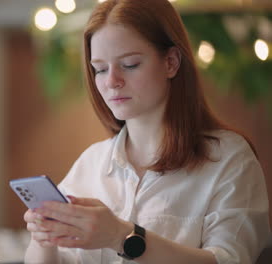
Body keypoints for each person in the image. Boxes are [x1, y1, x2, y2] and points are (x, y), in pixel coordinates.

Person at [23, 0, 270, 263]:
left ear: (171, 62)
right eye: (100, 69)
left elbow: (229, 259)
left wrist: (122, 236)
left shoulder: (228, 158)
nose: (111, 82)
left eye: (129, 64)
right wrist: (44, 238)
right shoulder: (91, 163)